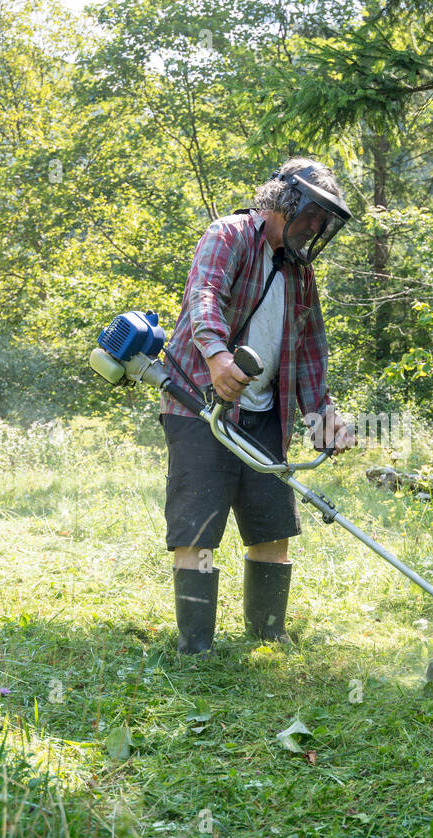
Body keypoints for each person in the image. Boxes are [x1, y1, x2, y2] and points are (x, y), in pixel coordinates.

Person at [159, 157, 358, 655]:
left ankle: (268, 634)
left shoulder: (300, 271)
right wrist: (217, 356)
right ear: (285, 202)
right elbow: (203, 296)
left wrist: (321, 415)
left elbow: (310, 349)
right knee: (198, 527)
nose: (317, 227)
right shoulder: (228, 235)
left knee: (272, 524)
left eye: (323, 220)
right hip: (200, 405)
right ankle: (196, 647)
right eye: (313, 214)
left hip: (266, 413)